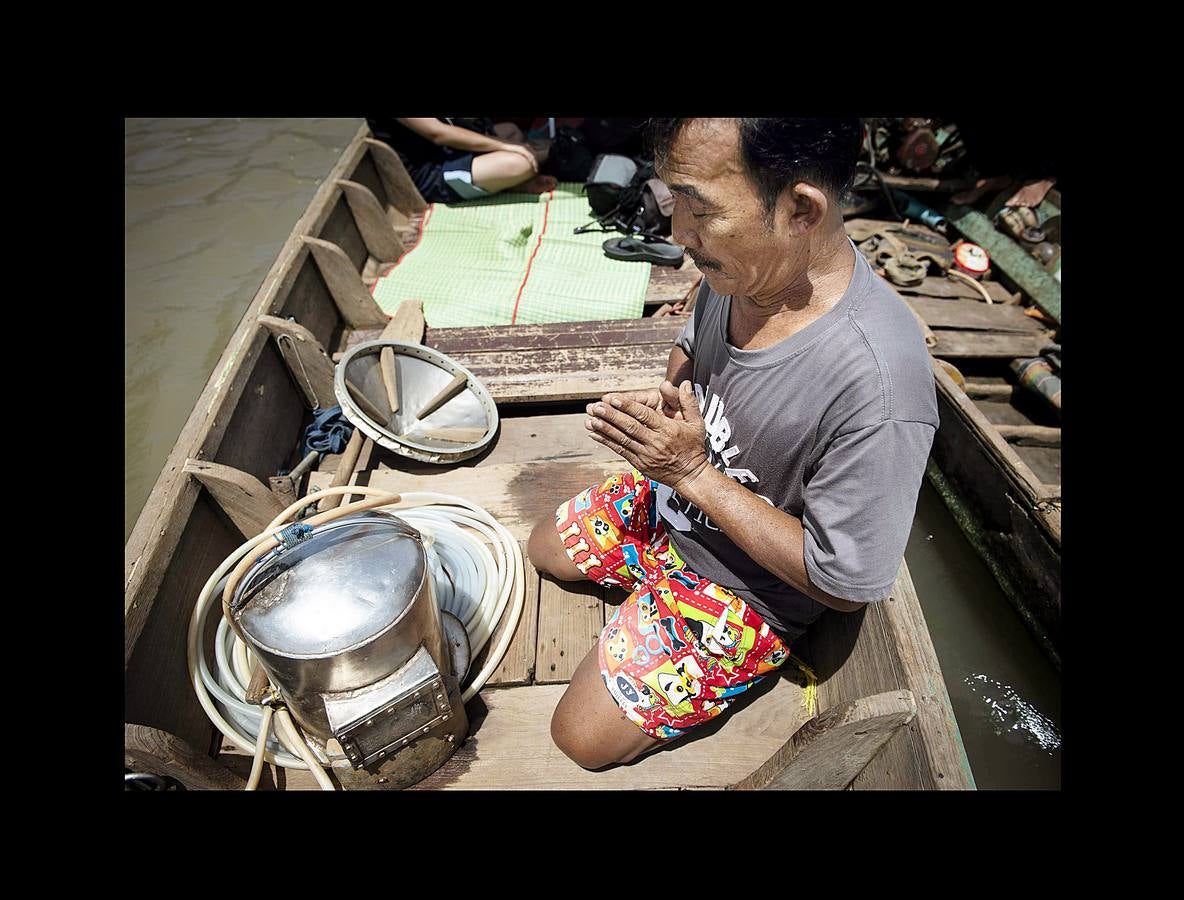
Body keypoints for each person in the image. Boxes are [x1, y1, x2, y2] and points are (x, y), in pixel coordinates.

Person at [526, 118, 939, 769]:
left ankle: (676, 613)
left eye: (701, 211)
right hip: (678, 491)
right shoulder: (741, 269)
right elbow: (689, 345)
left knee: (579, 738)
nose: (678, 236)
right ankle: (650, 577)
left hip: (742, 586)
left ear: (800, 209)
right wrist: (671, 407)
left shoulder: (881, 387)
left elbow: (842, 579)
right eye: (675, 201)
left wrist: (689, 471)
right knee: (544, 549)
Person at [366, 117, 556, 203]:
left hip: (449, 152)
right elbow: (438, 133)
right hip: (432, 172)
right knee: (519, 162)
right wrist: (508, 147)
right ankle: (550, 154)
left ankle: (510, 180)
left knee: (511, 130)